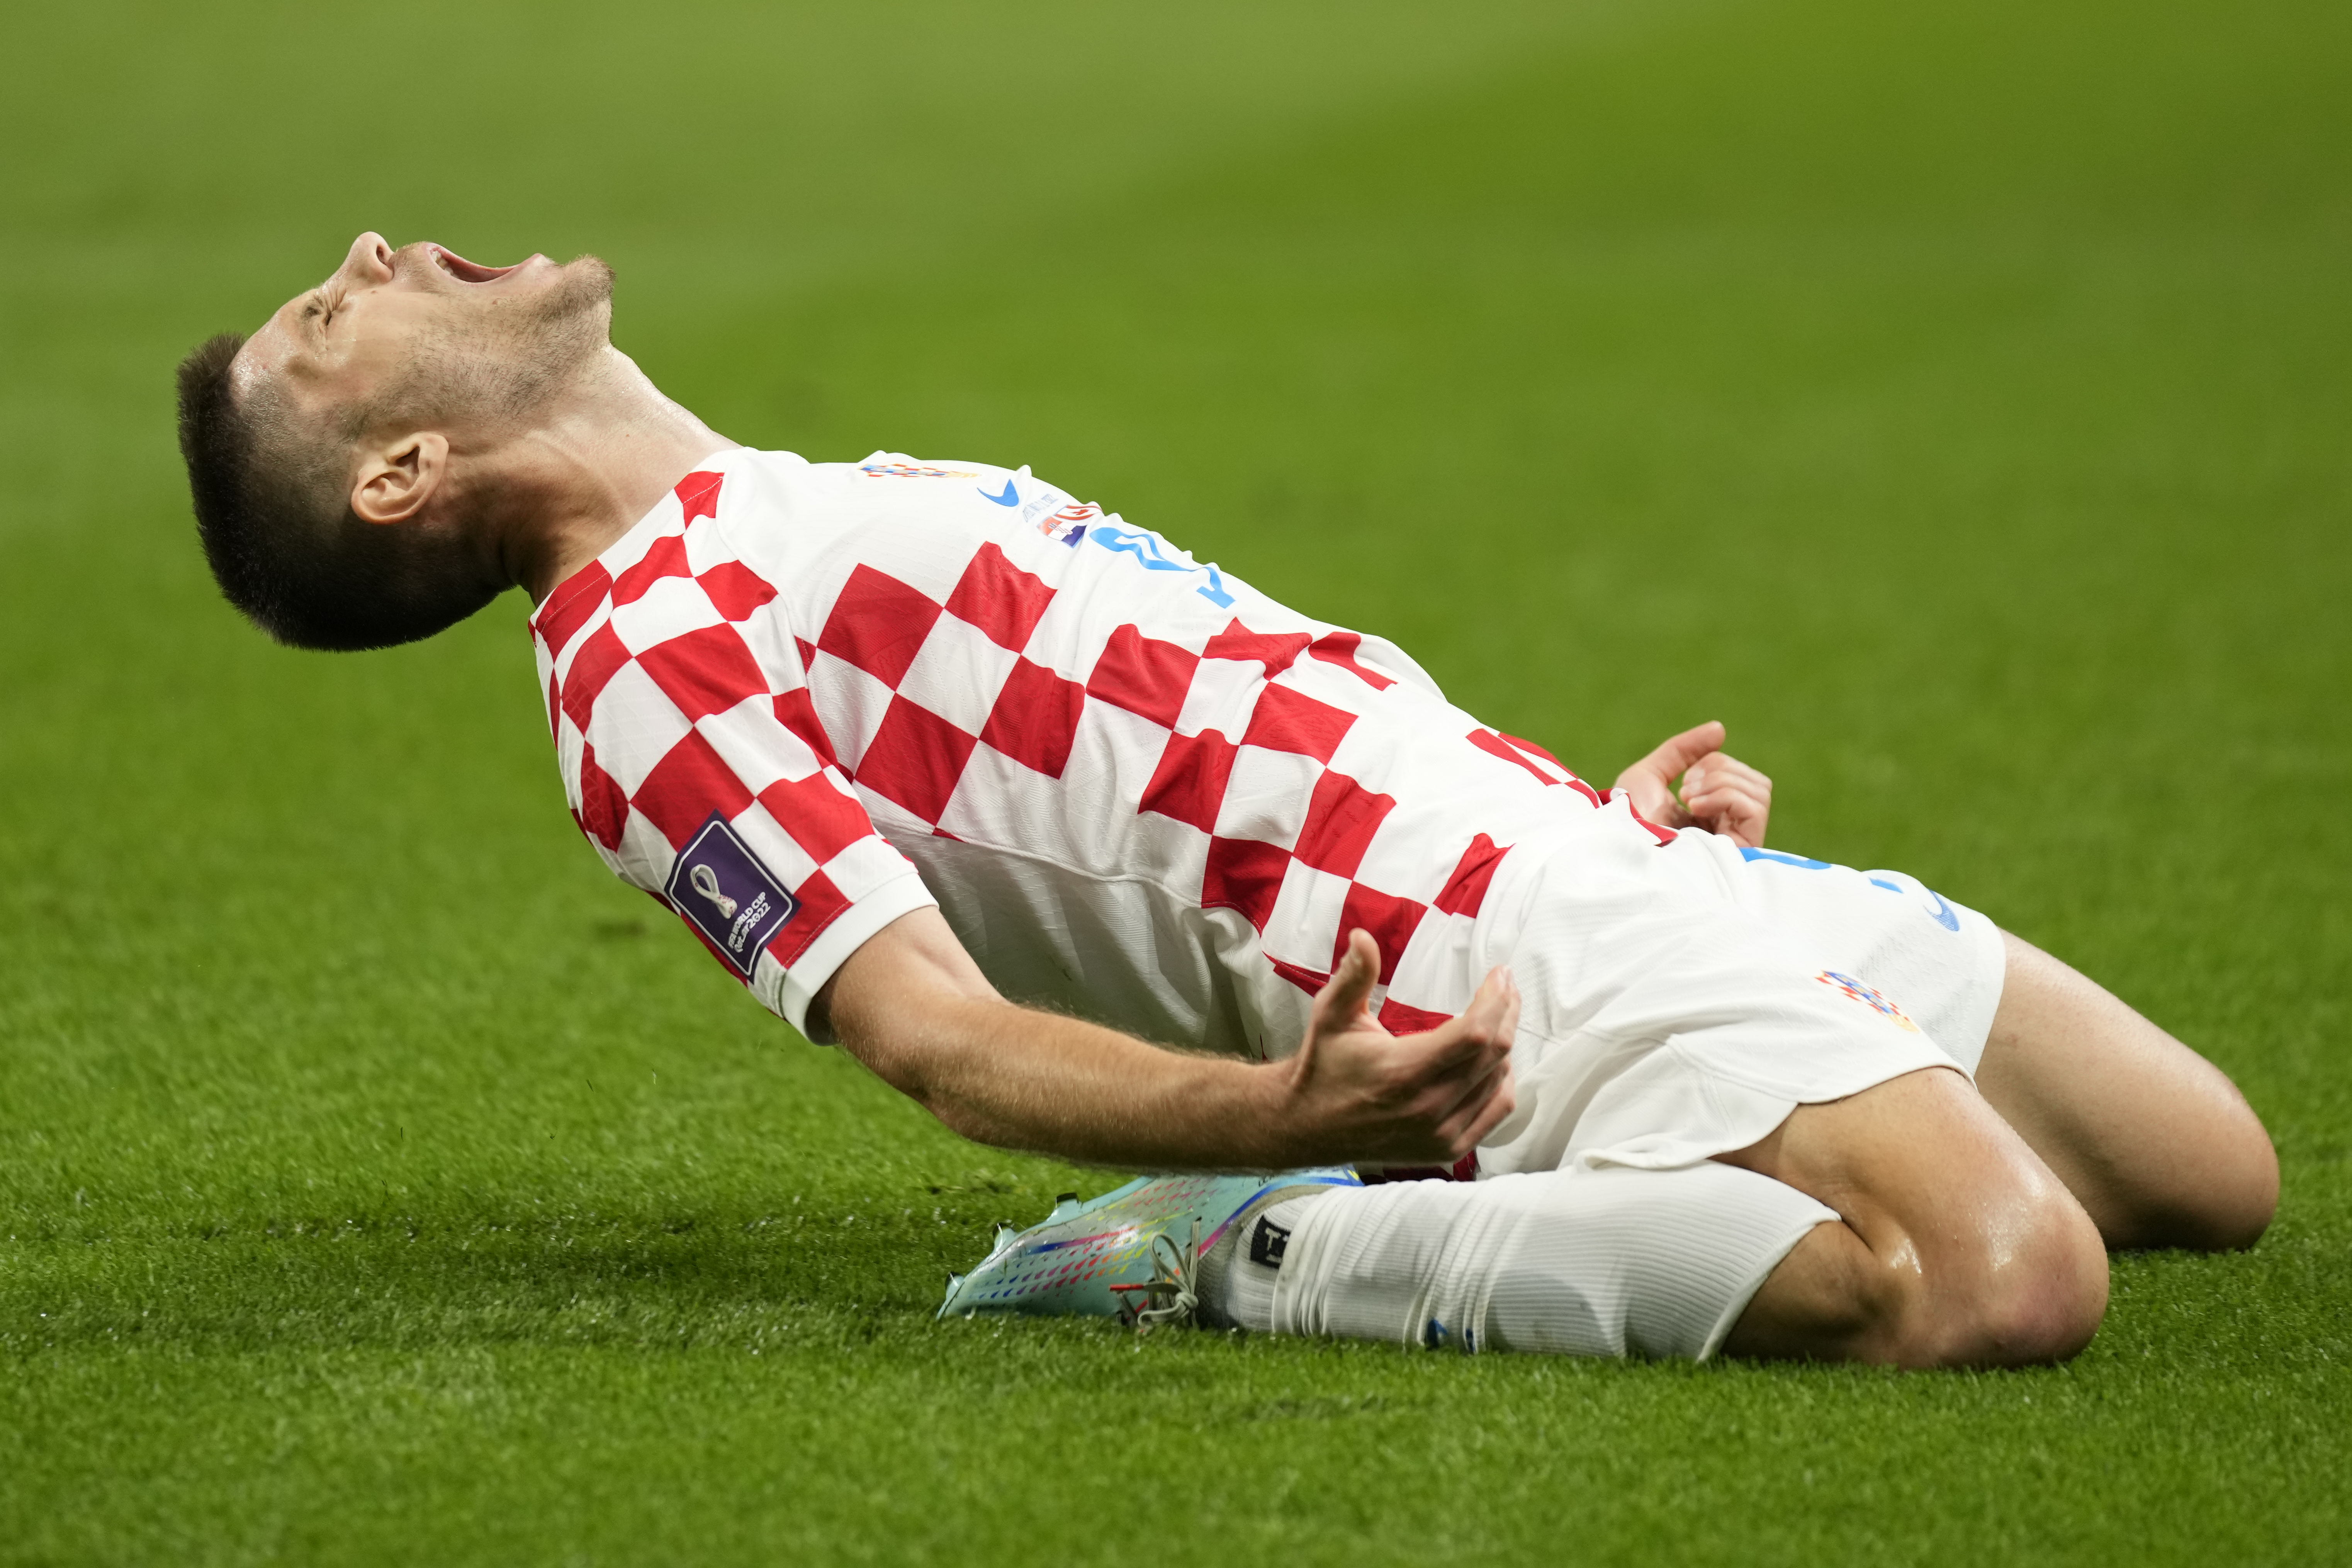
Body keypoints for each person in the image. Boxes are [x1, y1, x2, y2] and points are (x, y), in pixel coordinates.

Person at [173, 232, 2277, 1367]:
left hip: (1560, 847)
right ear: (398, 482)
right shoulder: (638, 670)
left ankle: (1486, 1164)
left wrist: (1584, 799)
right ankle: (1255, 1252)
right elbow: (938, 1039)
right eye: (319, 322)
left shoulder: (793, 499)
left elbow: (1238, 727)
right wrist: (1284, 1124)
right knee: (1999, 1280)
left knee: (2202, 1171)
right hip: (1465, 952)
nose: (363, 251)